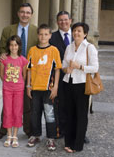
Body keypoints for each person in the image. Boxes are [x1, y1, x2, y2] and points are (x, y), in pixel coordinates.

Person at [0, 3, 38, 140]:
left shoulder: (35, 31)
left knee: (26, 103)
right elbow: (2, 47)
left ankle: (27, 129)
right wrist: (2, 55)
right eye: (22, 12)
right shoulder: (8, 29)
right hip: (11, 72)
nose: (25, 14)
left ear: (31, 15)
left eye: (28, 12)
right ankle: (3, 129)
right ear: (18, 13)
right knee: (7, 104)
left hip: (28, 71)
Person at [62, 22, 98, 153]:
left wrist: (80, 67)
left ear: (85, 34)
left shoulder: (90, 48)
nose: (76, 33)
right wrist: (68, 69)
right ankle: (68, 142)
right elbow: (63, 65)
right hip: (68, 83)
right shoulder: (69, 47)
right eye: (74, 30)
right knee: (69, 114)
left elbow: (95, 68)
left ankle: (77, 144)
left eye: (79, 31)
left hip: (82, 84)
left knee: (81, 115)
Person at [26, 24, 62, 151]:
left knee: (49, 114)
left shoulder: (54, 50)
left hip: (48, 89)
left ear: (50, 36)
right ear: (37, 35)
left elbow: (57, 70)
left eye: (46, 34)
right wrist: (28, 85)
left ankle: (51, 138)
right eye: (41, 34)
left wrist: (56, 86)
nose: (43, 36)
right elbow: (29, 69)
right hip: (35, 89)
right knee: (34, 114)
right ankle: (35, 135)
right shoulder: (32, 50)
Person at [0, 35, 28, 147]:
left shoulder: (23, 60)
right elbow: (1, 74)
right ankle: (9, 135)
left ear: (19, 46)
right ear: (8, 46)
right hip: (7, 89)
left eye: (15, 45)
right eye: (11, 45)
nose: (13, 47)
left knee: (17, 111)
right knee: (7, 111)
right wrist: (8, 83)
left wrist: (19, 83)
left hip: (19, 90)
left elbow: (24, 75)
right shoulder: (4, 59)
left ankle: (15, 135)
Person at [49, 11, 72, 139]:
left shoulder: (77, 35)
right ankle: (60, 130)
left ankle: (76, 131)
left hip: (77, 78)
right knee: (60, 105)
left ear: (70, 20)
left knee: (75, 106)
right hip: (59, 78)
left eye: (65, 19)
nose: (63, 22)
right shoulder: (52, 38)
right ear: (57, 22)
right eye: (60, 20)